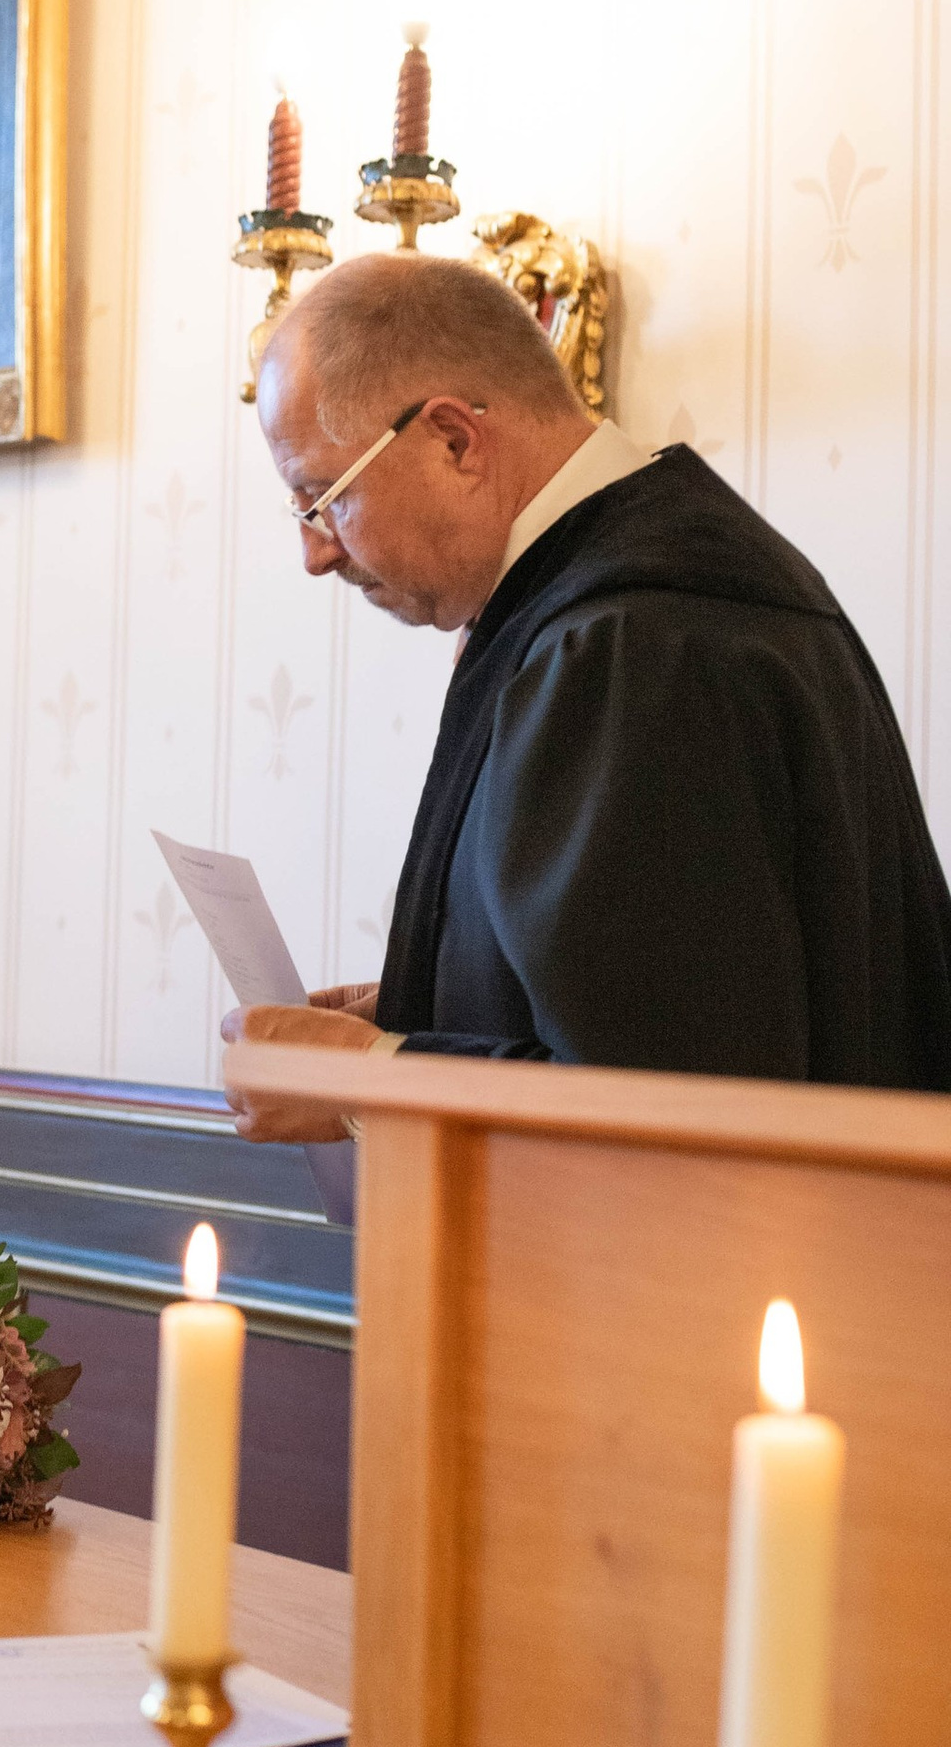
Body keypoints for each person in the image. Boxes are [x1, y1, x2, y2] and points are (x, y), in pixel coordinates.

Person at [224, 251, 951, 1143]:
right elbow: (687, 986)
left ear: (453, 439)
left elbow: (662, 1101)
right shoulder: (657, 592)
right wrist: (434, 994)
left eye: (321, 498)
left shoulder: (630, 647)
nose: (317, 553)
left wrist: (364, 1083)